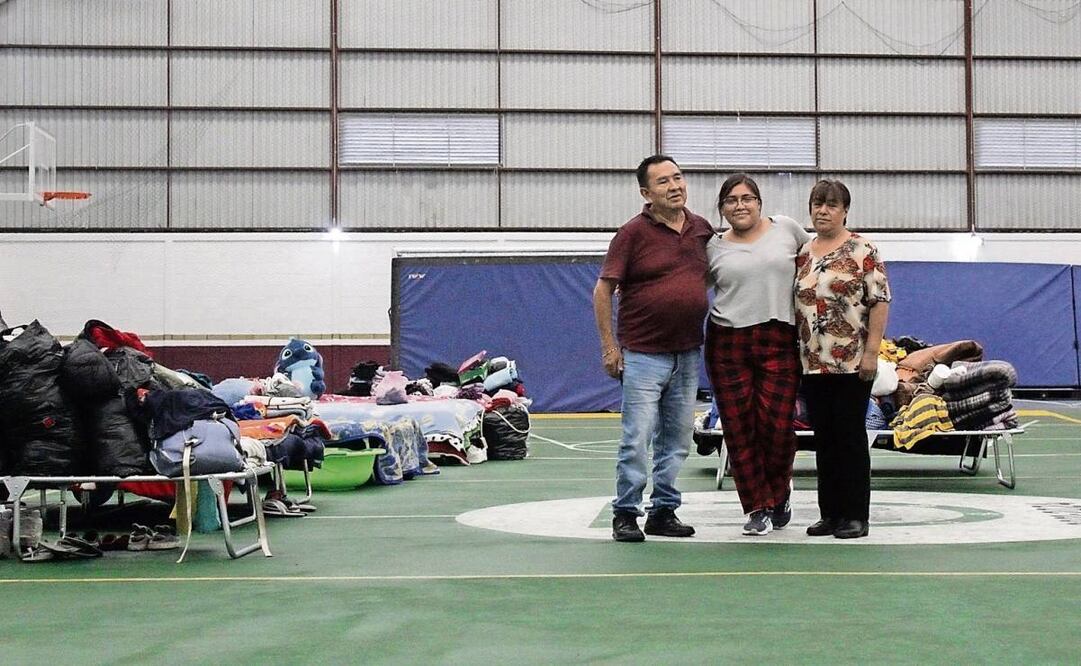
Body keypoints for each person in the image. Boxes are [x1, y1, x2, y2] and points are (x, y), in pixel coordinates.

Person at [593, 154, 714, 542]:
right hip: (643, 356)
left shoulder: (701, 230)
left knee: (677, 441)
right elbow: (603, 290)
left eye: (678, 177)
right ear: (646, 193)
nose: (674, 186)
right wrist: (610, 348)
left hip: (688, 353)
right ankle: (625, 513)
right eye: (663, 182)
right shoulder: (632, 234)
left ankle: (664, 510)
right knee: (636, 437)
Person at [704, 174, 810, 536]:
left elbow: (816, 267)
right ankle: (757, 507)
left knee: (777, 427)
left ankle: (780, 493)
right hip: (727, 343)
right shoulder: (713, 248)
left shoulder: (787, 230)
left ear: (760, 203)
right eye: (731, 200)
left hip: (778, 338)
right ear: (722, 209)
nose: (740, 205)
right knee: (739, 429)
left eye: (748, 198)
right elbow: (684, 286)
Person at [794, 179, 891, 539]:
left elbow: (880, 301)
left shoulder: (863, 249)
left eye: (831, 205)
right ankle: (830, 513)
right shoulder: (804, 253)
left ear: (845, 210)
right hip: (811, 362)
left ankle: (855, 515)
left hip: (852, 362)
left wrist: (871, 352)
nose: (823, 210)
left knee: (849, 438)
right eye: (817, 204)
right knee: (825, 440)